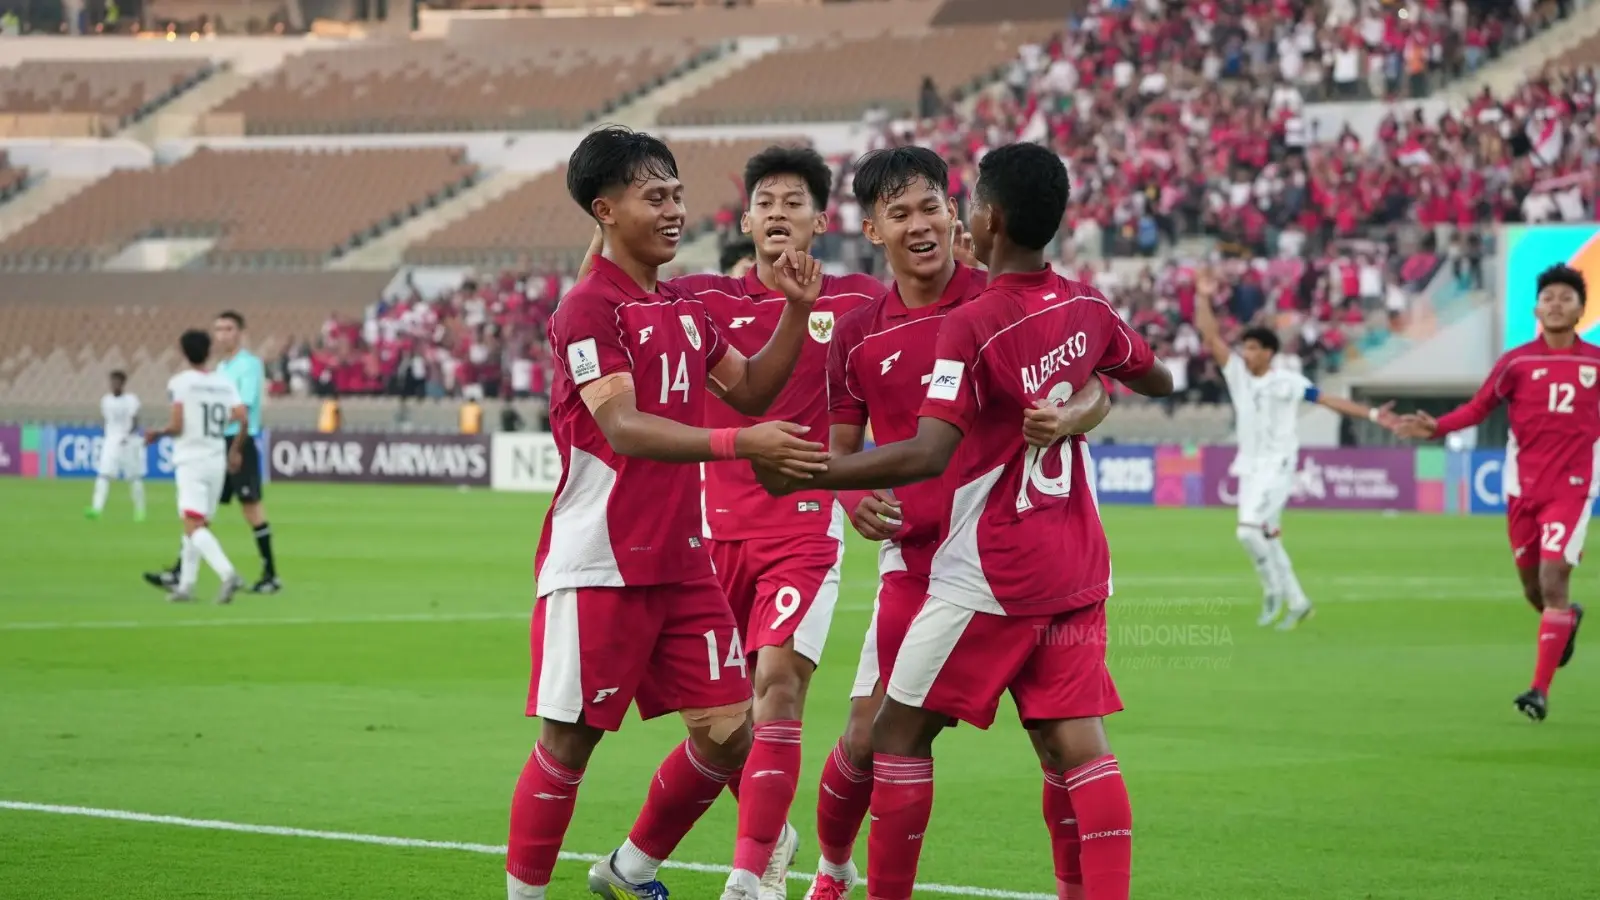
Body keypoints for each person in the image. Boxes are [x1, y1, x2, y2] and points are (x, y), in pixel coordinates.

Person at [755, 142, 1175, 900]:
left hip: (993, 561)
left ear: (962, 214)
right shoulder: (856, 334)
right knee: (865, 738)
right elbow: (844, 444)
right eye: (899, 213)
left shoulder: (993, 302)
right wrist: (850, 500)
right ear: (873, 229)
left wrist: (1073, 414)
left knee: (1032, 746)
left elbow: (1094, 385)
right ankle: (833, 868)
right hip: (918, 562)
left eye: (931, 207)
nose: (920, 225)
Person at [504, 125, 829, 900]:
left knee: (731, 734)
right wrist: (740, 444)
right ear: (605, 210)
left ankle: (631, 867)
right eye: (655, 197)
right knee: (569, 743)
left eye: (678, 194)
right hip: (602, 560)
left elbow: (750, 388)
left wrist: (794, 312)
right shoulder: (589, 308)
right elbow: (623, 427)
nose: (675, 210)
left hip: (683, 564)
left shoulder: (680, 308)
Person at [578, 145, 888, 898]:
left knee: (778, 686)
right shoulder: (698, 299)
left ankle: (750, 878)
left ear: (821, 221)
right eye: (766, 202)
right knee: (722, 729)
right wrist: (604, 218)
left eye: (795, 202)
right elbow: (601, 289)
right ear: (746, 220)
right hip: (708, 537)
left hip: (803, 531)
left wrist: (854, 493)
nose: (779, 213)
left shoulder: (861, 302)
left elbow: (881, 397)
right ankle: (647, 862)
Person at [1395, 263, 1592, 721]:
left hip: (1573, 488)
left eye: (1566, 298)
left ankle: (1538, 690)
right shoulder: (1516, 362)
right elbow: (1480, 406)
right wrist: (1438, 427)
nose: (1556, 304)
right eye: (1548, 298)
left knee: (1553, 579)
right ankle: (1565, 620)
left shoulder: (1595, 362)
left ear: (1581, 310)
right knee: (1533, 589)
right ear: (1536, 310)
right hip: (1522, 489)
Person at [1192, 284, 1399, 630]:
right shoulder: (1238, 375)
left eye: (1253, 348)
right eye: (1245, 347)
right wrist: (1201, 296)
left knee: (1247, 532)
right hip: (1249, 466)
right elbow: (1211, 338)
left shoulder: (1288, 382)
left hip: (1278, 466)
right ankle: (1299, 602)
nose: (1246, 354)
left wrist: (1373, 414)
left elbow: (1327, 399)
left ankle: (1273, 591)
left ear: (1269, 353)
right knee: (1268, 536)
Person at [145, 311, 279, 594]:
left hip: (238, 442)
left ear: (240, 333)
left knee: (251, 508)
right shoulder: (219, 370)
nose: (223, 334)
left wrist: (208, 427)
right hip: (216, 446)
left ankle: (270, 574)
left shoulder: (249, 365)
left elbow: (244, 407)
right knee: (199, 513)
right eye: (218, 329)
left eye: (228, 328)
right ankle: (181, 573)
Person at [142, 330, 249, 604]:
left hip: (191, 460)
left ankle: (228, 574)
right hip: (216, 461)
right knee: (198, 525)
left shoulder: (180, 383)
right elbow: (242, 417)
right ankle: (186, 586)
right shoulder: (224, 383)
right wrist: (235, 449)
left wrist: (159, 433)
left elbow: (177, 425)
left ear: (183, 352)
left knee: (193, 526)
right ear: (209, 351)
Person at [87, 369, 146, 522]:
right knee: (103, 475)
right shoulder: (106, 401)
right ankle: (96, 508)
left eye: (117, 382)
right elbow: (107, 421)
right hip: (111, 443)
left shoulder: (131, 400)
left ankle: (140, 510)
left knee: (134, 477)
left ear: (123, 383)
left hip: (129, 442)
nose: (114, 385)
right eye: (112, 382)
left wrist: (128, 436)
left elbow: (135, 421)